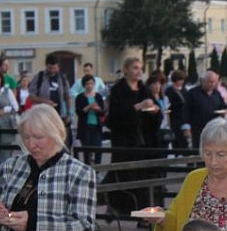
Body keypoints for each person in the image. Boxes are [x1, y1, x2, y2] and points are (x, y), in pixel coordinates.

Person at [103, 57, 156, 213]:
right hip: (124, 141)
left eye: (140, 68)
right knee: (123, 174)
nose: (139, 71)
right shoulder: (118, 90)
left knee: (142, 177)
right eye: (135, 68)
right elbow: (116, 117)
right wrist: (138, 107)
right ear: (126, 70)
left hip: (142, 141)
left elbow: (151, 112)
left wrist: (154, 111)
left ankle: (142, 214)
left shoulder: (143, 89)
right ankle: (117, 208)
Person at [28, 55, 73, 148]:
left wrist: (69, 113)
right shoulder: (39, 77)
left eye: (54, 68)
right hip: (43, 115)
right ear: (46, 66)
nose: (52, 70)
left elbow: (68, 97)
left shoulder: (62, 78)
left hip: (59, 115)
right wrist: (44, 101)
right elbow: (32, 95)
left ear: (58, 67)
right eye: (50, 68)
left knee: (60, 139)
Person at [186, 69, 227, 149]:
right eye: (209, 82)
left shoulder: (216, 93)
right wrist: (186, 127)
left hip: (214, 128)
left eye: (214, 82)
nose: (212, 84)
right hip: (198, 128)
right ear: (203, 81)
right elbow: (186, 110)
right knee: (199, 150)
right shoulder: (193, 93)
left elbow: (223, 106)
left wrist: (223, 112)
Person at [74, 75, 106, 165]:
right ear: (84, 85)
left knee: (98, 148)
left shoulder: (98, 96)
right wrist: (89, 107)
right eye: (87, 84)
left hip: (96, 126)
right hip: (85, 127)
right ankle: (88, 168)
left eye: (91, 83)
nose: (89, 85)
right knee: (87, 151)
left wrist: (97, 109)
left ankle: (97, 168)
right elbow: (79, 112)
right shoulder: (80, 97)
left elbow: (102, 112)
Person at [165, 69, 190, 150]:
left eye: (182, 79)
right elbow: (169, 103)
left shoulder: (184, 89)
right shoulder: (170, 90)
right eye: (180, 79)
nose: (181, 81)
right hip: (175, 117)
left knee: (185, 138)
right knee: (178, 138)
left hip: (184, 116)